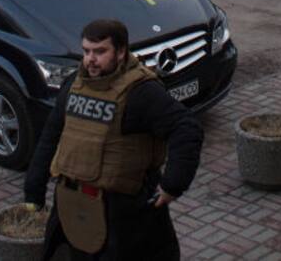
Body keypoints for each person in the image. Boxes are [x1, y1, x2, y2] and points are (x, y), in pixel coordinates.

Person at [24, 18, 203, 260]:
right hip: (72, 201)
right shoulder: (74, 85)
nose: (90, 59)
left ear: (120, 52)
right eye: (86, 51)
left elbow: (186, 127)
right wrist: (34, 188)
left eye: (100, 52)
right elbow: (51, 136)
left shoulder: (140, 92)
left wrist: (173, 185)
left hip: (124, 211)